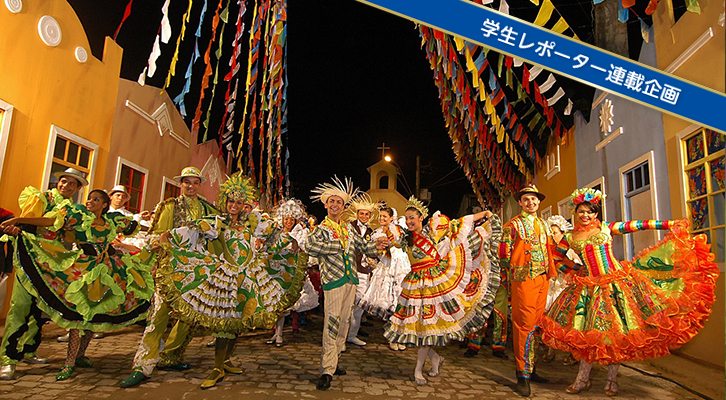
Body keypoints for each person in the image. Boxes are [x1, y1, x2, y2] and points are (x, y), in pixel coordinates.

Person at [540, 188, 719, 396]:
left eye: (590, 211)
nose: (585, 215)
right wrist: (573, 269)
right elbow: (555, 258)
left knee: (617, 335)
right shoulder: (570, 237)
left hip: (616, 286)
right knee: (587, 337)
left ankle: (611, 381)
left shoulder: (607, 228)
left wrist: (669, 224)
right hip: (587, 290)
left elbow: (638, 225)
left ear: (596, 214)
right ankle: (582, 380)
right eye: (581, 211)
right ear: (575, 213)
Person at [153, 173, 306, 389]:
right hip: (225, 278)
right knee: (224, 323)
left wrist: (291, 244)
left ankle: (226, 361)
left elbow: (274, 235)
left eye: (239, 202)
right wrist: (169, 236)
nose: (234, 205)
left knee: (237, 322)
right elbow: (192, 232)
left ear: (244, 204)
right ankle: (217, 367)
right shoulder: (217, 223)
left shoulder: (251, 223)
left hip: (247, 278)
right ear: (225, 201)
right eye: (231, 201)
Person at [2, 189, 153, 380]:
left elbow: (139, 227)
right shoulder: (79, 216)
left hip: (109, 269)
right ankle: (69, 362)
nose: (90, 201)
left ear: (104, 205)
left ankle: (81, 354)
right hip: (85, 269)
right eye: (89, 198)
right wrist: (19, 221)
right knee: (79, 315)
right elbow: (50, 221)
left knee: (96, 312)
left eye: (95, 199)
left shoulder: (113, 220)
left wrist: (164, 232)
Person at [383, 197, 501, 386]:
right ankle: (435, 358)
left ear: (421, 217)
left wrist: (485, 214)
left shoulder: (434, 230)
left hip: (433, 283)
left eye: (412, 217)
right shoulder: (405, 237)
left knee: (427, 326)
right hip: (414, 285)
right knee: (421, 327)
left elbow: (461, 222)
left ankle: (418, 369)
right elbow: (387, 241)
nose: (409, 221)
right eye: (406, 218)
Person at [120, 166, 218, 388]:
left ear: (199, 184)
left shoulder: (207, 209)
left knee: (190, 316)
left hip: (197, 271)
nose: (191, 186)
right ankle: (143, 366)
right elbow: (154, 237)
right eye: (186, 182)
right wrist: (165, 240)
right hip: (171, 268)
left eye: (194, 182)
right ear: (180, 184)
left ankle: (170, 356)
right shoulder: (169, 206)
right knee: (158, 316)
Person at [0, 168, 87, 380]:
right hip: (29, 257)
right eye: (63, 181)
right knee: (20, 305)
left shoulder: (72, 210)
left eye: (71, 184)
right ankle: (8, 359)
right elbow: (31, 221)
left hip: (53, 262)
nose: (65, 186)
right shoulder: (39, 197)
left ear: (77, 189)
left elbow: (57, 225)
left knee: (41, 309)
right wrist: (17, 224)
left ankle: (29, 350)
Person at [305, 177, 387, 391]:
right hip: (333, 282)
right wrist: (337, 246)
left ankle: (335, 361)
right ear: (325, 205)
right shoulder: (321, 229)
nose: (334, 205)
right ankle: (326, 369)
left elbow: (365, 248)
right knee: (331, 323)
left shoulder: (349, 229)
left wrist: (378, 245)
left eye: (339, 202)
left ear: (343, 206)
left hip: (350, 281)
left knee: (344, 322)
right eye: (331, 201)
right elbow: (311, 248)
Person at [498, 183, 556, 397]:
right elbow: (503, 255)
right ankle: (522, 374)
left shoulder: (544, 224)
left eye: (534, 199)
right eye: (526, 200)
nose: (531, 203)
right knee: (524, 324)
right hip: (523, 279)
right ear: (520, 203)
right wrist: (509, 279)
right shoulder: (512, 226)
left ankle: (532, 369)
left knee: (538, 323)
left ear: (539, 202)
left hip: (542, 277)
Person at [358, 206, 411, 351]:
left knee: (400, 303)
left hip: (401, 267)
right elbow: (375, 252)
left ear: (391, 218)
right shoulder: (377, 233)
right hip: (387, 268)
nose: (382, 219)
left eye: (385, 217)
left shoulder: (399, 230)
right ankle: (391, 337)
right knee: (389, 303)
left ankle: (400, 336)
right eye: (380, 216)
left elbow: (404, 246)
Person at [266, 199, 319, 347]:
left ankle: (280, 334)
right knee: (275, 304)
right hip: (274, 272)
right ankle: (276, 333)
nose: (288, 221)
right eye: (286, 219)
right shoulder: (275, 232)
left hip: (290, 273)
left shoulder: (300, 233)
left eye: (291, 219)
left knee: (284, 304)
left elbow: (302, 249)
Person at [540, 215, 576, 364]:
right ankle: (550, 349)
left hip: (564, 288)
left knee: (567, 321)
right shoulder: (548, 250)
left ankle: (572, 353)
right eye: (550, 233)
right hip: (551, 287)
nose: (552, 235)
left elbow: (574, 268)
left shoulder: (570, 250)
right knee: (549, 320)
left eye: (555, 232)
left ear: (562, 233)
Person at [344, 194, 378, 347]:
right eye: (361, 213)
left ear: (370, 216)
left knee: (359, 305)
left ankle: (352, 334)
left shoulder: (372, 232)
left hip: (364, 271)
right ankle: (341, 337)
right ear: (357, 214)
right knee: (346, 304)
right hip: (350, 269)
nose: (364, 216)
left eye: (367, 214)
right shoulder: (348, 227)